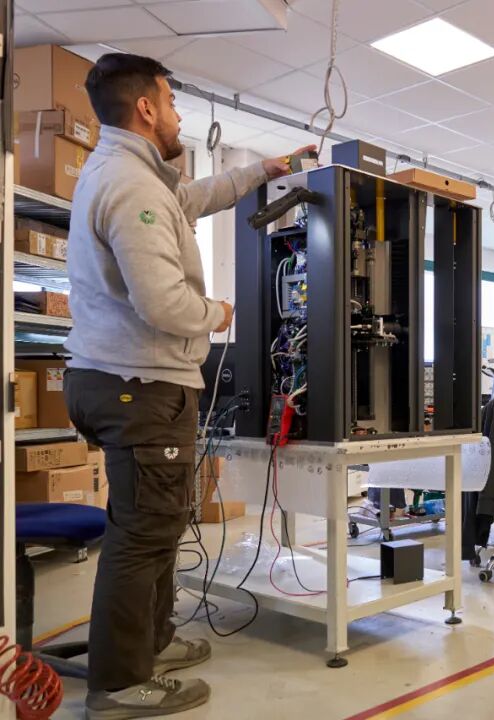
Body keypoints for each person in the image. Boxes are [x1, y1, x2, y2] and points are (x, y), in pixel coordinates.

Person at [62, 52, 312, 719]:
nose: (177, 115)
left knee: (158, 522)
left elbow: (197, 197)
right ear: (146, 108)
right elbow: (163, 304)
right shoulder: (132, 185)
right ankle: (119, 685)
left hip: (124, 379)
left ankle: (152, 643)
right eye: (171, 102)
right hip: (138, 385)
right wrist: (218, 314)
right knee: (144, 531)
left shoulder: (133, 175)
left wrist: (265, 171)